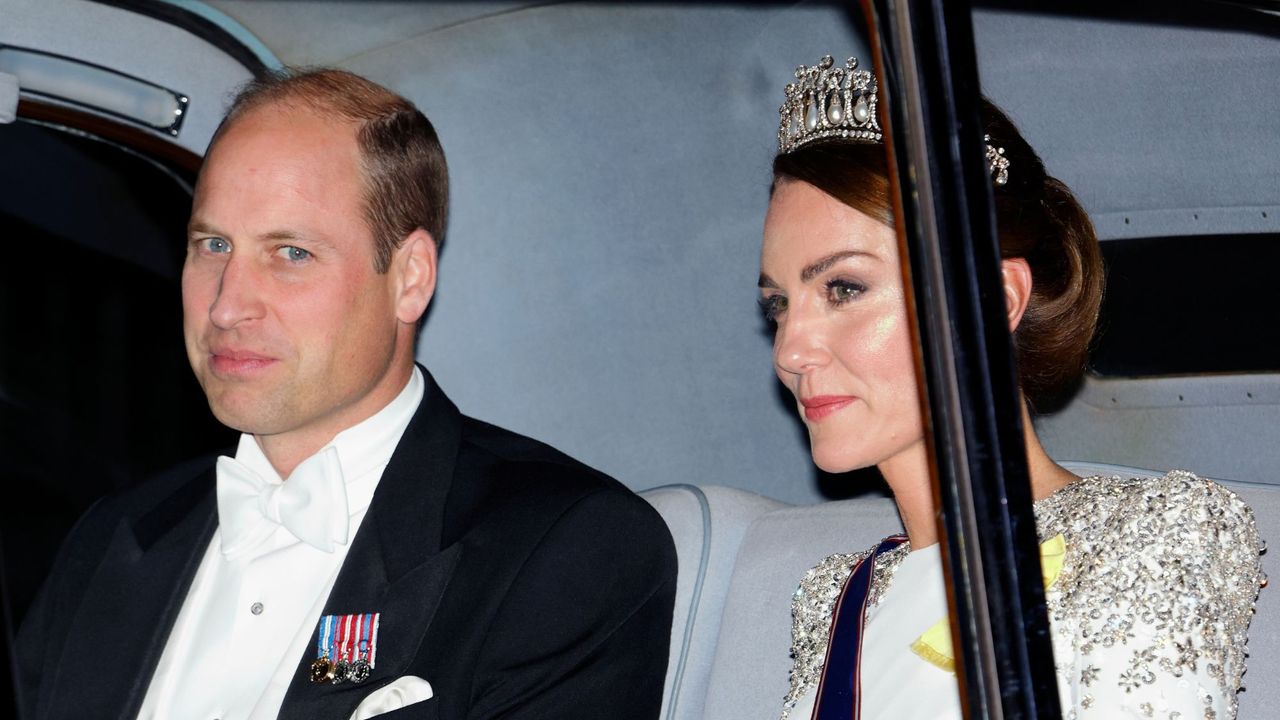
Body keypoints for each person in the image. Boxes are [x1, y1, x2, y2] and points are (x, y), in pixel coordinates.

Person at [16, 68, 676, 720]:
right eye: (213, 244)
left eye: (291, 253)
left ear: (410, 278)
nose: (227, 305)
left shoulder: (562, 550)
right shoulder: (110, 539)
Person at [760, 56, 1265, 719]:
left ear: (993, 301)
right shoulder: (836, 597)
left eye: (844, 288)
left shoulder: (1148, 535)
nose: (791, 350)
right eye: (778, 306)